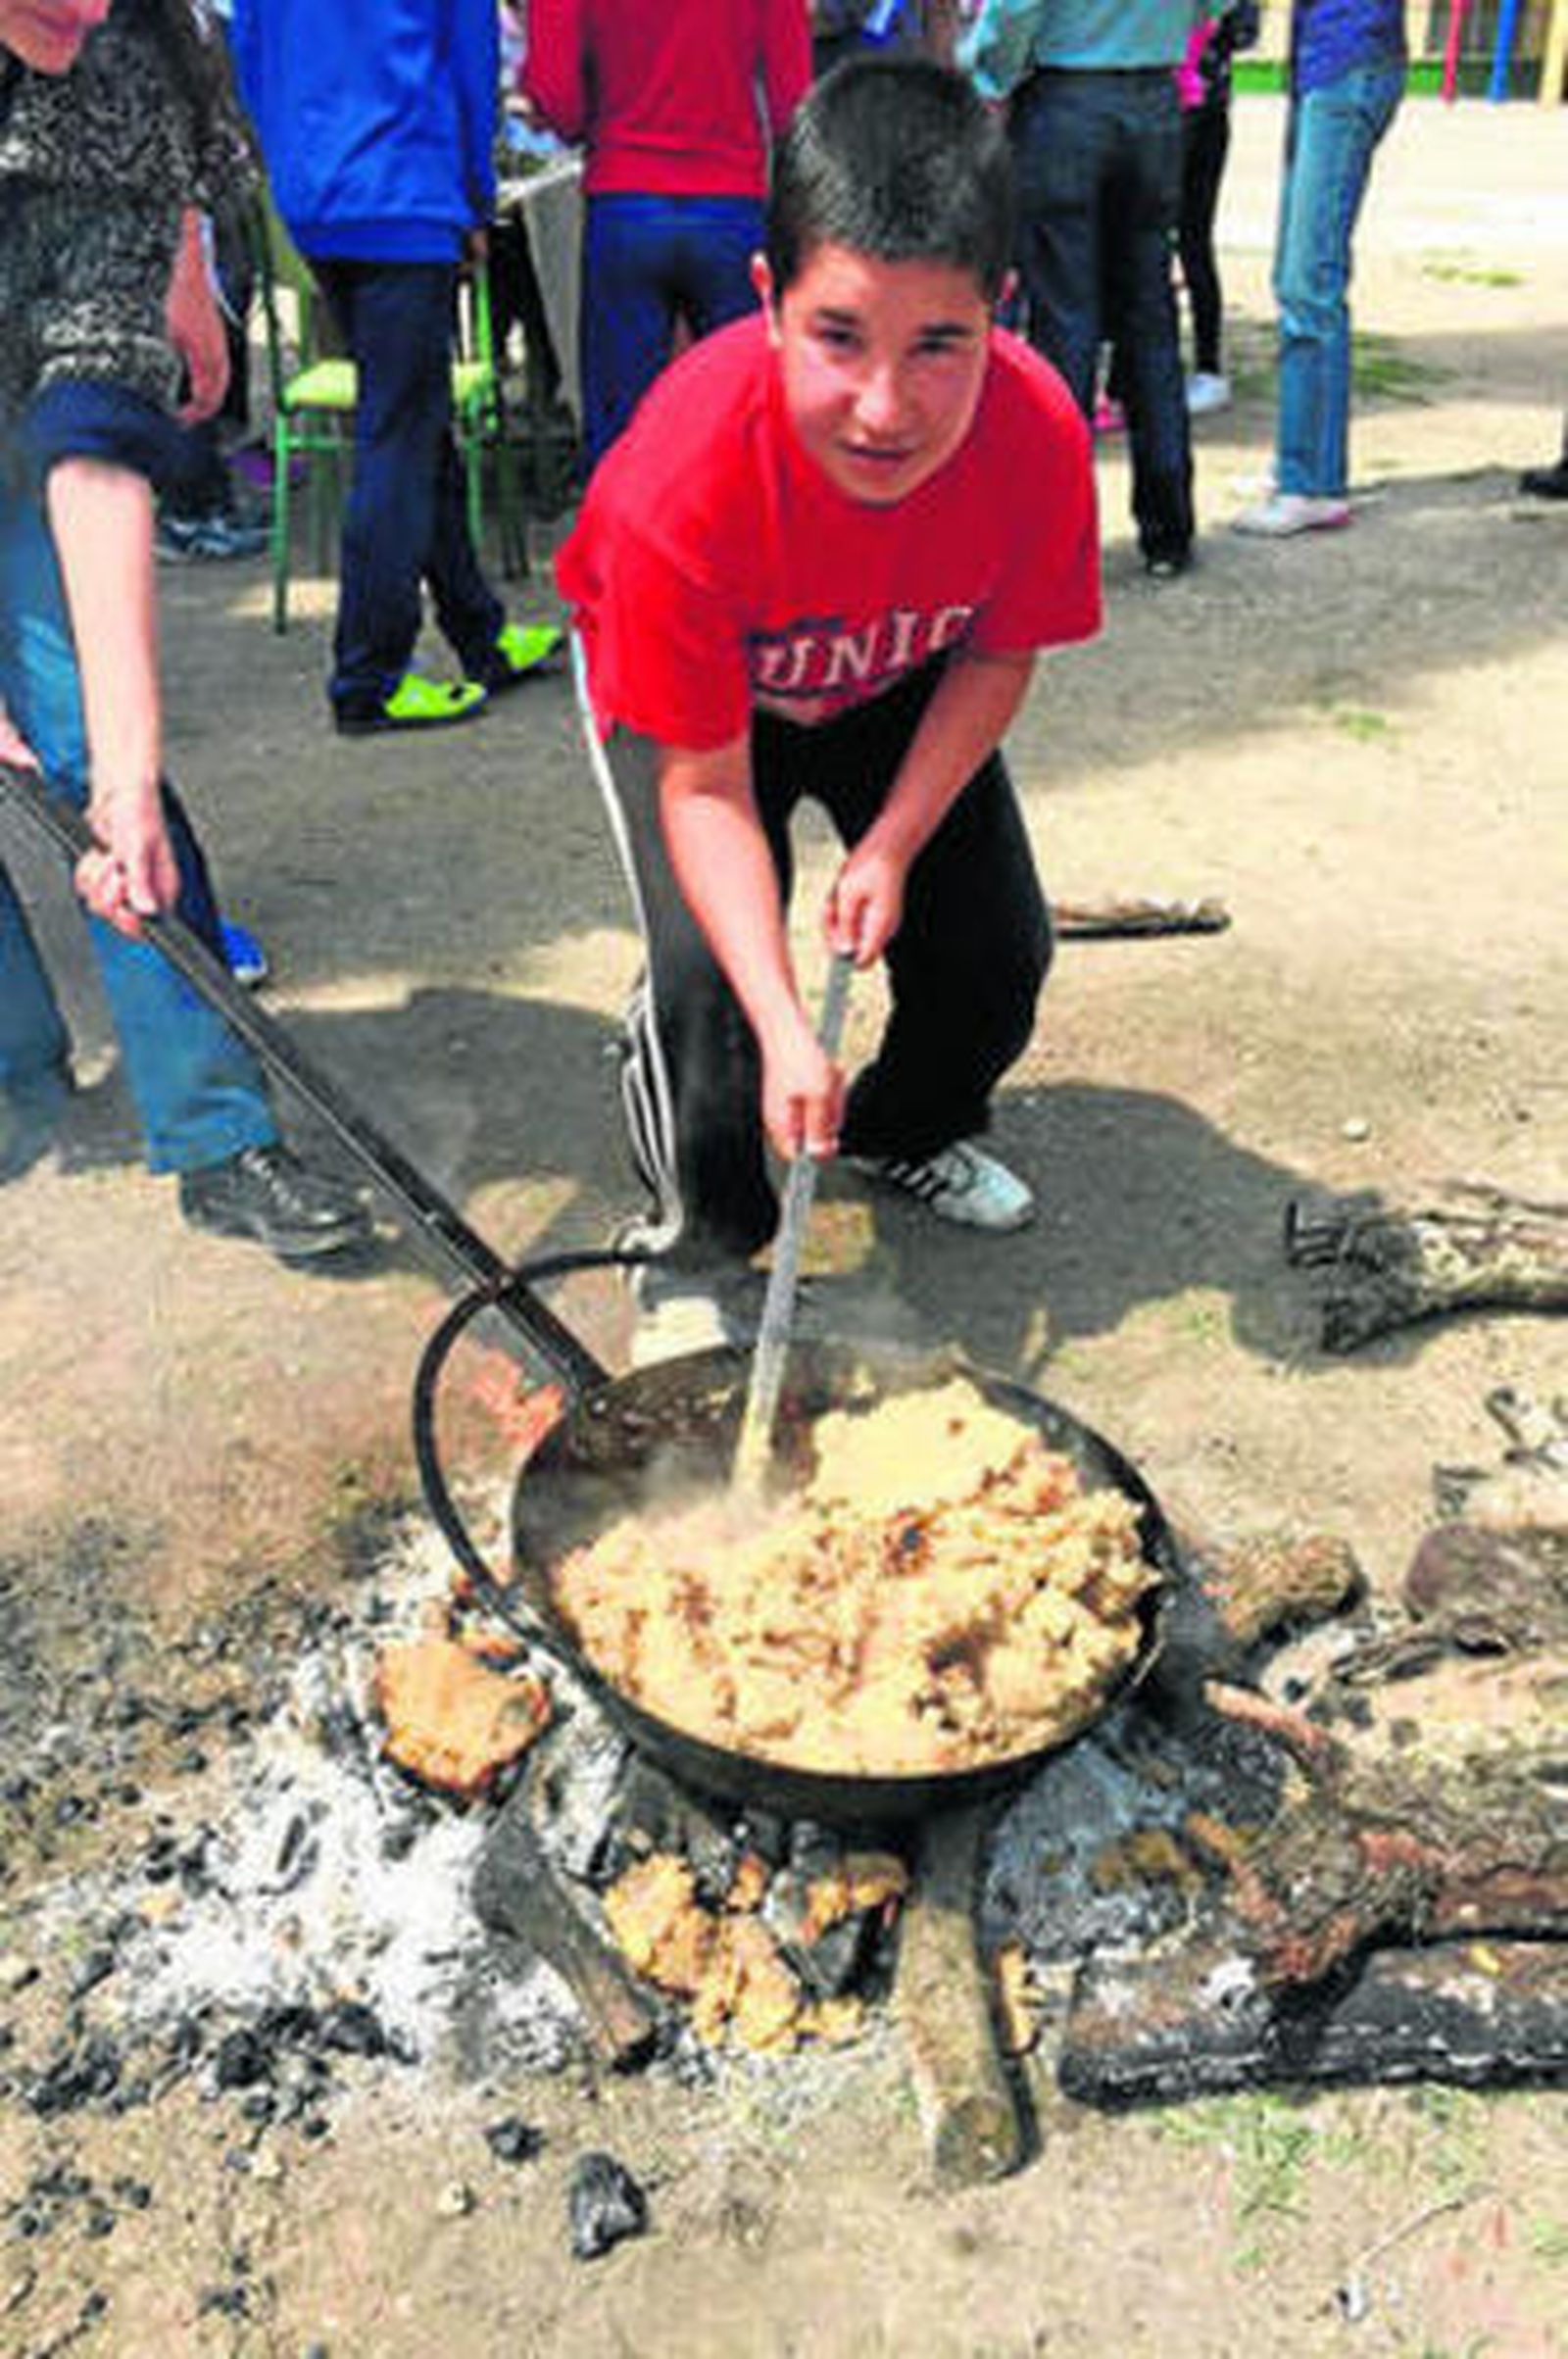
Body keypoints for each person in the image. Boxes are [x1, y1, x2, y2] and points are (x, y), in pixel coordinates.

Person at [556, 57, 1100, 1353]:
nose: (884, 406)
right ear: (770, 301)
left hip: (897, 677)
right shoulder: (678, 486)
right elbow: (703, 786)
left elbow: (996, 656)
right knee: (717, 1002)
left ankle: (905, 1130)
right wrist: (790, 1022)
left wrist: (896, 839)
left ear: (999, 315)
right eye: (839, 336)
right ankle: (695, 1243)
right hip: (697, 703)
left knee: (993, 951)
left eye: (938, 347)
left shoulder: (1036, 437)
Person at [0, 0, 371, 1259]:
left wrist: (126, 769)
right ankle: (12, 1075)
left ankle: (219, 1135)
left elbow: (93, 426)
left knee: (85, 739)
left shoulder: (138, 55)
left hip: (31, 410)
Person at [228, 0, 560, 736]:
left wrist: (290, 159)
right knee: (399, 437)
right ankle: (368, 675)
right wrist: (477, 197)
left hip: (315, 194)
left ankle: (480, 632)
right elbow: (473, 65)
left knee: (414, 420)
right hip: (405, 189)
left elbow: (246, 54)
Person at [960, 0, 1200, 581]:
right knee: (1152, 317)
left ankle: (1060, 534)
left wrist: (987, 72)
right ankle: (1168, 528)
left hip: (1067, 100)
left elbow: (1016, 11)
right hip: (1156, 99)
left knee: (1066, 324)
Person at [518, 0, 812, 473]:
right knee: (748, 423)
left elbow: (556, 95)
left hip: (624, 195)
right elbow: (790, 100)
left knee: (620, 434)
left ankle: (623, 540)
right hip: (730, 200)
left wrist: (577, 120)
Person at [1233, 0, 1404, 539]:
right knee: (1299, 276)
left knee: (1309, 283)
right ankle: (1305, 469)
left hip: (1345, 65)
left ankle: (1310, 484)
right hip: (1328, 64)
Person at [1176, 1, 1258, 418]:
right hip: (1206, 106)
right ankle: (1205, 367)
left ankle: (1193, 368)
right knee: (1192, 242)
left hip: (1179, 107)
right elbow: (1246, 33)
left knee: (1163, 241)